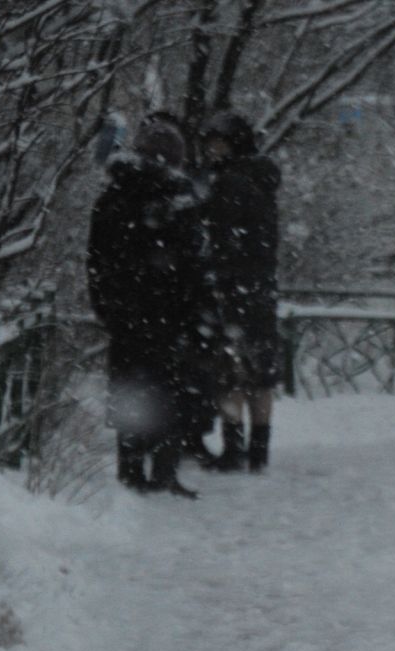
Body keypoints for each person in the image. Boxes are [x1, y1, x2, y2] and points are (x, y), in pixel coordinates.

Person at [87, 113, 213, 498]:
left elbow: (97, 260)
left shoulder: (114, 195)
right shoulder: (179, 200)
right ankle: (163, 469)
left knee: (130, 390)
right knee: (168, 390)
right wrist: (195, 314)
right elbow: (194, 265)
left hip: (126, 312)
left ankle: (130, 469)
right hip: (169, 314)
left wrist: (106, 306)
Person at [198, 110, 282, 472]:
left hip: (234, 288)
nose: (210, 151)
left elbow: (220, 240)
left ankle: (235, 448)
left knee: (231, 372)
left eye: (215, 143)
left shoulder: (229, 183)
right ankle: (260, 451)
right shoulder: (261, 179)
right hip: (260, 287)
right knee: (260, 372)